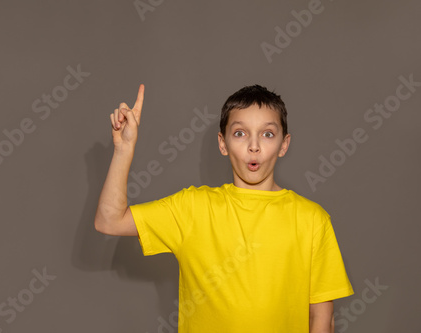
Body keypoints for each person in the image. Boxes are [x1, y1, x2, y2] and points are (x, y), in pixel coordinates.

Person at [94, 84, 354, 333]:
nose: (254, 146)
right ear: (222, 143)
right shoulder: (192, 208)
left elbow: (322, 318)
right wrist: (123, 150)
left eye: (267, 134)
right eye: (240, 133)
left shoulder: (312, 219)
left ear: (284, 145)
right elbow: (109, 220)